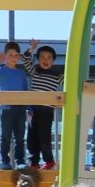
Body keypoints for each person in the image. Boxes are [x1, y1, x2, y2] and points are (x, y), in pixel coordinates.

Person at [0, 42, 30, 170]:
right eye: (10, 55)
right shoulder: (0, 70)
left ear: (19, 57)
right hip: (7, 108)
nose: (13, 57)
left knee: (20, 137)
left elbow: (26, 91)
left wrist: (29, 108)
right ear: (5, 56)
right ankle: (5, 161)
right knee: (6, 137)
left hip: (20, 108)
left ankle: (20, 161)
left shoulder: (21, 73)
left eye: (15, 55)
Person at [25, 44, 62, 173]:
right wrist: (31, 49)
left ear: (53, 60)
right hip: (32, 109)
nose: (45, 60)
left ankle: (49, 161)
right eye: (42, 58)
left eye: (49, 58)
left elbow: (71, 83)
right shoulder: (35, 70)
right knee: (31, 136)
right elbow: (25, 60)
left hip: (46, 110)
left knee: (44, 136)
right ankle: (33, 162)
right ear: (38, 59)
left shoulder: (58, 75)